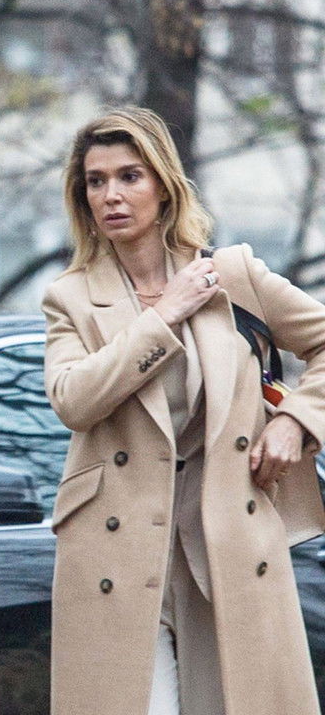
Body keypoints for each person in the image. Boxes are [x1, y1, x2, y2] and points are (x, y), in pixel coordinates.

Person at [43, 106, 325, 715]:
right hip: (113, 556)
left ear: (164, 187)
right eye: (96, 181)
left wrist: (296, 421)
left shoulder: (232, 276)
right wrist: (164, 314)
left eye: (129, 176)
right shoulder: (71, 297)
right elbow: (74, 399)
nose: (111, 195)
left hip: (225, 542)